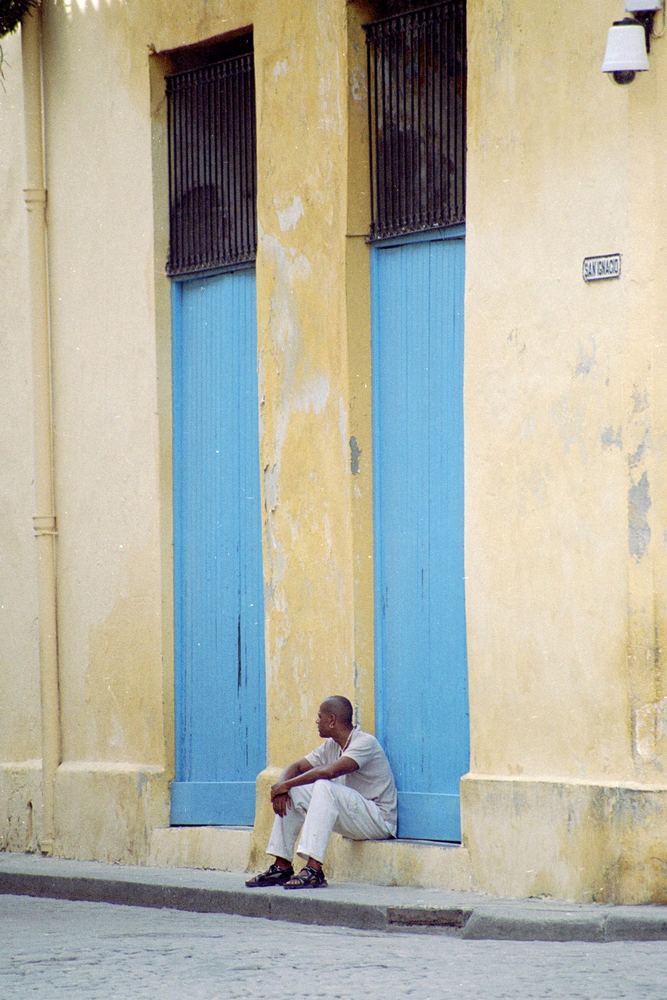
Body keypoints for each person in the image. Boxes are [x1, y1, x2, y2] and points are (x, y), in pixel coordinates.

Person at [245, 695, 397, 889]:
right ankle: (281, 866)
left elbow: (329, 771)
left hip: (378, 821)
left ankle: (314, 869)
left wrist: (285, 785)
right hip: (354, 819)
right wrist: (283, 788)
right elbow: (298, 766)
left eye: (320, 716)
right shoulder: (332, 746)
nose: (317, 721)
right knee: (296, 791)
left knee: (324, 786)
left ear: (332, 720)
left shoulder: (365, 743)